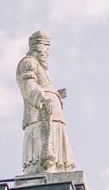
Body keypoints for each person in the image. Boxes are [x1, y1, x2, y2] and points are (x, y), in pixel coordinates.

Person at [16, 30, 73, 174]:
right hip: (40, 113)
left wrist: (56, 94)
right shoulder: (28, 62)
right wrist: (43, 97)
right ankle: (41, 168)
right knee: (42, 145)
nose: (46, 54)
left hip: (53, 115)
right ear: (36, 48)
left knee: (55, 148)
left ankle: (56, 169)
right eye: (44, 50)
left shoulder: (41, 68)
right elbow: (28, 84)